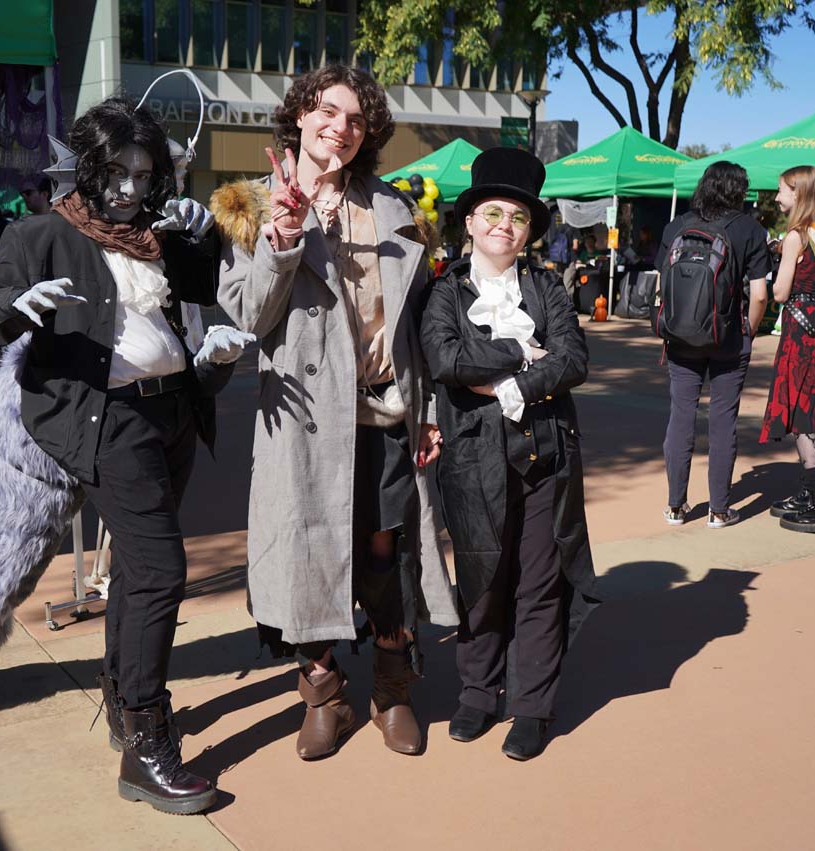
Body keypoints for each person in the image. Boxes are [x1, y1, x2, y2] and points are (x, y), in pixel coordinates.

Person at [0, 95, 232, 815]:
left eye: (145, 173)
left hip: (172, 412)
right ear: (86, 167)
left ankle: (119, 700)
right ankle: (146, 743)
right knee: (164, 572)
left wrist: (203, 235)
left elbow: (200, 290)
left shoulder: (152, 232)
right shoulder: (42, 232)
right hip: (107, 423)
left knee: (139, 573)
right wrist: (21, 305)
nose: (133, 189)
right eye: (119, 172)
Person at [213, 64, 456, 760]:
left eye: (354, 119)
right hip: (302, 424)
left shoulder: (394, 207)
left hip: (385, 410)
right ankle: (322, 691)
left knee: (386, 548)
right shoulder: (250, 205)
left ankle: (391, 687)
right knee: (309, 550)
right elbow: (248, 315)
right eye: (326, 111)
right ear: (298, 115)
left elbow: (414, 323)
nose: (339, 128)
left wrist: (428, 407)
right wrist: (283, 239)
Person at [420, 147, 598, 761]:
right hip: (472, 461)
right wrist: (523, 356)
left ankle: (532, 705)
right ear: (469, 221)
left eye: (517, 218)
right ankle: (476, 692)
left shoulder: (547, 287)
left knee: (540, 585)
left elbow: (573, 359)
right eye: (491, 213)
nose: (504, 225)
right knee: (481, 579)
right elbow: (446, 360)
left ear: (529, 231)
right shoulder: (443, 292)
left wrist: (519, 382)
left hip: (546, 455)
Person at [655, 162, 770, 528]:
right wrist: (748, 331)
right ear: (740, 190)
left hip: (681, 337)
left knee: (680, 417)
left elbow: (663, 286)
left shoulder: (678, 225)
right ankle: (719, 510)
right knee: (723, 421)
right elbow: (761, 295)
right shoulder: (751, 230)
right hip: (728, 340)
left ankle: (676, 506)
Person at [760, 165, 815, 537]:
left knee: (801, 413)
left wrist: (772, 265)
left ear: (799, 194)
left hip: (799, 328)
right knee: (811, 409)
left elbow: (778, 292)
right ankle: (810, 493)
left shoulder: (796, 236)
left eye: (782, 190)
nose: (777, 197)